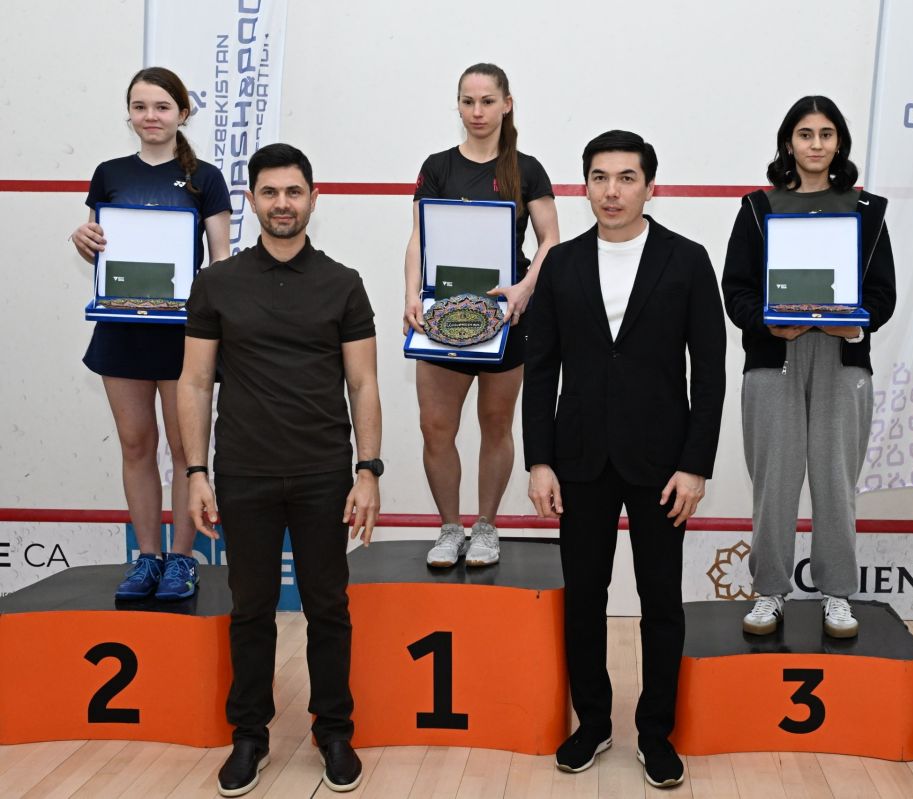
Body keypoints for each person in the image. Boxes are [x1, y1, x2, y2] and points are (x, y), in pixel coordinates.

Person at [178, 143, 382, 796]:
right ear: (252, 200)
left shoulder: (343, 283)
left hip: (324, 473)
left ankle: (334, 731)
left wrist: (369, 470)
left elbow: (363, 383)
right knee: (251, 610)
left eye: (294, 192)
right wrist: (196, 472)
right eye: (270, 192)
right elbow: (194, 382)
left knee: (328, 607)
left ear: (313, 199)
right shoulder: (217, 283)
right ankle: (250, 735)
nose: (282, 204)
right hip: (244, 473)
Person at [523, 130, 725, 789]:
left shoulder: (687, 260)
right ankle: (593, 722)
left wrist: (696, 464)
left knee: (661, 601)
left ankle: (656, 731)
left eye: (627, 178)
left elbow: (711, 371)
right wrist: (539, 461)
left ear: (650, 187)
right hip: (578, 460)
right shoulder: (561, 264)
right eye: (600, 178)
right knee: (584, 598)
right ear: (585, 186)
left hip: (663, 464)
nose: (612, 191)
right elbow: (540, 369)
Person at [721, 96, 896, 638]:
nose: (815, 144)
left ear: (839, 142)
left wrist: (856, 326)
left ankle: (837, 593)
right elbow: (737, 290)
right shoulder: (758, 207)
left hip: (843, 358)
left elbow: (882, 294)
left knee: (835, 482)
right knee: (774, 482)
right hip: (773, 357)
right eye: (805, 134)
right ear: (788, 142)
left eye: (825, 134)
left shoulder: (867, 210)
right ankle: (769, 590)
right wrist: (766, 324)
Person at [69, 66, 231, 601]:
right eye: (140, 107)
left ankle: (181, 559)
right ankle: (146, 557)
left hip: (184, 336)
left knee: (186, 448)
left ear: (182, 112)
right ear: (129, 114)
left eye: (161, 107)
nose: (150, 117)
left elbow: (221, 262)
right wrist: (84, 240)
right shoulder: (108, 173)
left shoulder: (206, 179)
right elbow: (99, 247)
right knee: (136, 444)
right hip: (121, 331)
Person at [403, 62, 560, 568]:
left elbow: (551, 240)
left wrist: (525, 289)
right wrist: (411, 295)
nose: (477, 111)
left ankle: (486, 528)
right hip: (441, 315)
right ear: (458, 105)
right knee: (436, 428)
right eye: (468, 101)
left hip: (506, 319)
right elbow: (419, 237)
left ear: (506, 105)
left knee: (496, 426)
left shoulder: (527, 169)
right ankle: (450, 529)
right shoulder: (437, 166)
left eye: (487, 101)